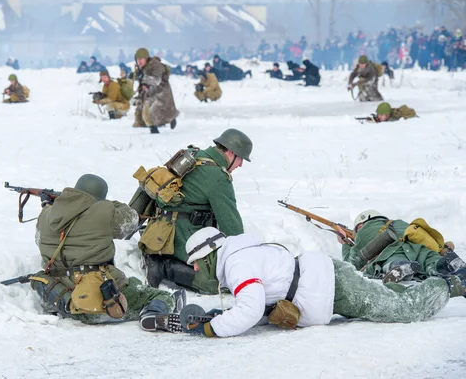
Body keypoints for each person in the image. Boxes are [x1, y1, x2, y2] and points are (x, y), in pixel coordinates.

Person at [178, 227, 466, 338]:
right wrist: (224, 316)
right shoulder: (238, 259)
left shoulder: (237, 264)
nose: (194, 267)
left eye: (195, 260)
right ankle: (404, 281)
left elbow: (251, 310)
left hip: (329, 286)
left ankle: (452, 284)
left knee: (403, 309)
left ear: (209, 255)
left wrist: (213, 328)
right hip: (325, 281)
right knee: (382, 298)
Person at [30, 173, 184, 328]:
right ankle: (153, 315)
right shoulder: (103, 211)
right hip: (98, 296)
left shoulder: (45, 214)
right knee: (160, 296)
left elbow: (39, 240)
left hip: (60, 292)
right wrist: (108, 204)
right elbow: (131, 221)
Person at [140, 129, 252, 294]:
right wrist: (246, 259)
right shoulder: (218, 178)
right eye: (241, 158)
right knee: (215, 284)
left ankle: (159, 258)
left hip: (160, 231)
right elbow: (231, 226)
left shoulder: (193, 155)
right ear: (230, 152)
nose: (241, 164)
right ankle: (163, 267)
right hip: (181, 237)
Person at [338, 210, 465, 283]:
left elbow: (353, 263)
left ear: (360, 225)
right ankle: (443, 264)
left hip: (392, 251)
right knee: (429, 259)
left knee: (392, 260)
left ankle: (400, 266)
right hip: (418, 247)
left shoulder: (365, 229)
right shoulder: (399, 223)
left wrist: (346, 244)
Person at [131, 48, 179, 133]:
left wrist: (143, 78)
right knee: (146, 115)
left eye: (141, 59)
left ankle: (170, 120)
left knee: (157, 112)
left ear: (146, 58)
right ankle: (154, 131)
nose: (139, 61)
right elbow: (142, 83)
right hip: (150, 94)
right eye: (138, 59)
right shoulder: (143, 67)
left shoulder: (156, 66)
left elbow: (156, 80)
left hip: (161, 92)